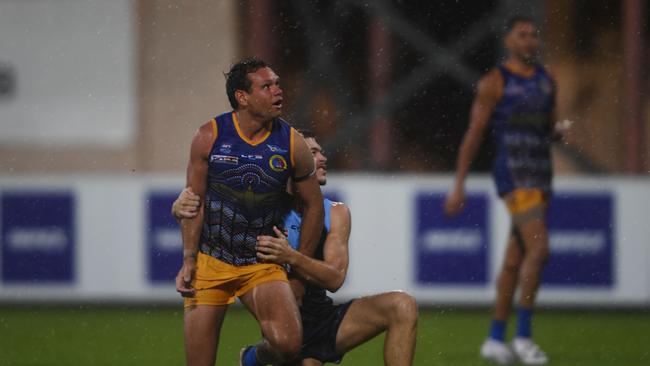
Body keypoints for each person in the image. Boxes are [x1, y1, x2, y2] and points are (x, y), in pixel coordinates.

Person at [174, 130, 418, 366]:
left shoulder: (336, 212)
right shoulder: (263, 209)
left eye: (321, 152)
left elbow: (334, 279)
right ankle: (256, 357)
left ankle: (253, 358)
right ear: (293, 162)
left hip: (323, 317)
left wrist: (292, 256)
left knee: (402, 306)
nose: (322, 158)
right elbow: (213, 219)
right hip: (287, 326)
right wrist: (179, 208)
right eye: (313, 153)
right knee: (290, 346)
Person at [175, 57, 324, 366]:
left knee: (289, 344)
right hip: (211, 261)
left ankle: (252, 359)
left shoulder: (292, 143)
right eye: (266, 86)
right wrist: (189, 260)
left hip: (261, 263)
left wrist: (298, 274)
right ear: (242, 97)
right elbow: (193, 203)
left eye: (278, 84)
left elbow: (314, 206)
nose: (277, 91)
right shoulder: (209, 136)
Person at [444, 16, 568, 365]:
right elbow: (474, 133)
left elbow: (550, 126)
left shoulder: (547, 79)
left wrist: (558, 130)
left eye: (534, 35)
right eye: (522, 35)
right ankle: (524, 337)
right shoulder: (495, 82)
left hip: (541, 174)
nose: (530, 40)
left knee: (516, 258)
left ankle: (495, 339)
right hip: (514, 175)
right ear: (508, 41)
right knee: (539, 250)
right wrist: (459, 184)